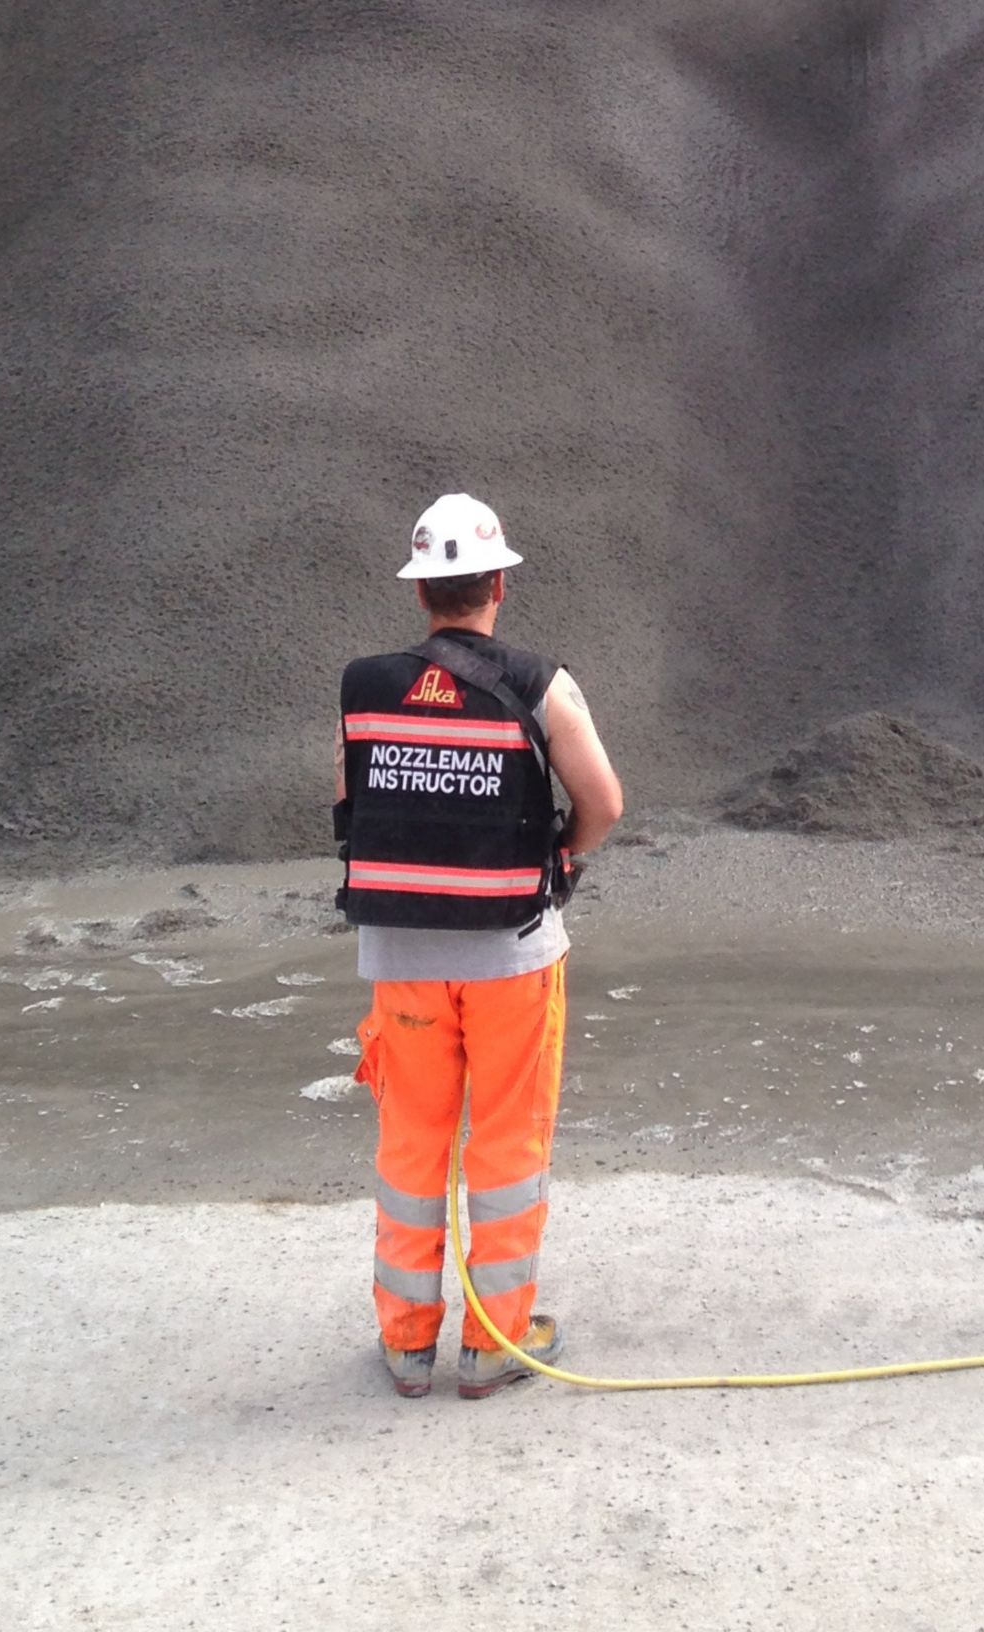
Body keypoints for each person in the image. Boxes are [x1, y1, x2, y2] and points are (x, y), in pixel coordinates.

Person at [335, 492, 623, 1399]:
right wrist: (563, 861)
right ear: (499, 582)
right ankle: (494, 1342)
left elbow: (350, 804)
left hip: (402, 960)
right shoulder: (543, 684)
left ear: (422, 594)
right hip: (511, 956)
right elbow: (604, 804)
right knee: (504, 1145)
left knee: (411, 1144)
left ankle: (407, 1342)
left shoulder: (366, 684)